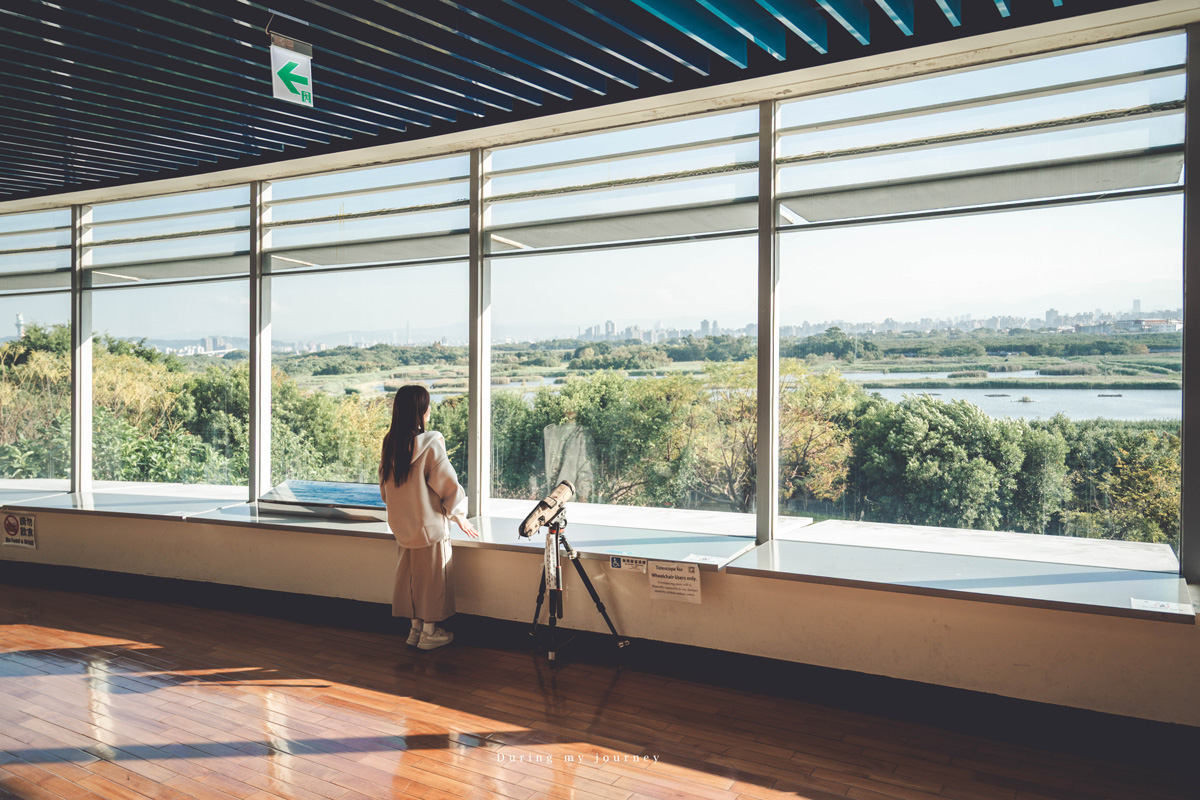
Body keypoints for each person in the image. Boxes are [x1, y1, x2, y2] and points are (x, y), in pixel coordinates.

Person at [379, 385, 479, 651]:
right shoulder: (431, 443)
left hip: (403, 527)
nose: (430, 409)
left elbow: (384, 490)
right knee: (433, 580)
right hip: (430, 527)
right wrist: (460, 517)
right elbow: (448, 485)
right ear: (420, 412)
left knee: (409, 579)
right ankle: (429, 633)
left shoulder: (390, 444)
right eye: (427, 405)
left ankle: (413, 630)